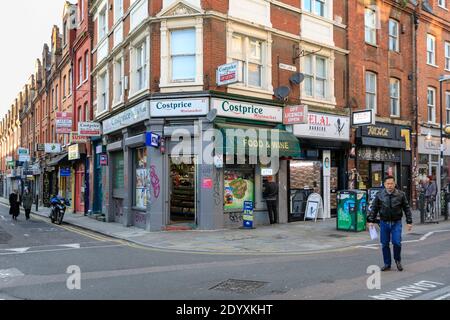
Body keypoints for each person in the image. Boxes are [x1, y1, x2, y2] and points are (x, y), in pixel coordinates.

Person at [367, 176, 413, 272]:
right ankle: (387, 264)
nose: (390, 186)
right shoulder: (380, 195)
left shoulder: (401, 194)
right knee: (384, 244)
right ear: (384, 184)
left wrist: (409, 222)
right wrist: (370, 220)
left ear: (394, 184)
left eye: (391, 183)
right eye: (388, 184)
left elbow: (406, 208)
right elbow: (374, 208)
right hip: (383, 223)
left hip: (396, 223)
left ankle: (397, 260)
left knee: (397, 242)